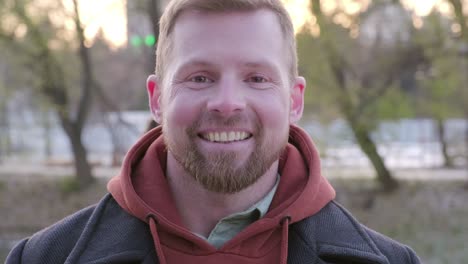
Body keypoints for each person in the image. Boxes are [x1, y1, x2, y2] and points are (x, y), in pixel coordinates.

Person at [6, 0, 421, 263]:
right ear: (157, 99)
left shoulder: (392, 261)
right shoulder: (44, 258)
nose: (227, 103)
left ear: (294, 101)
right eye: (200, 78)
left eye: (257, 78)